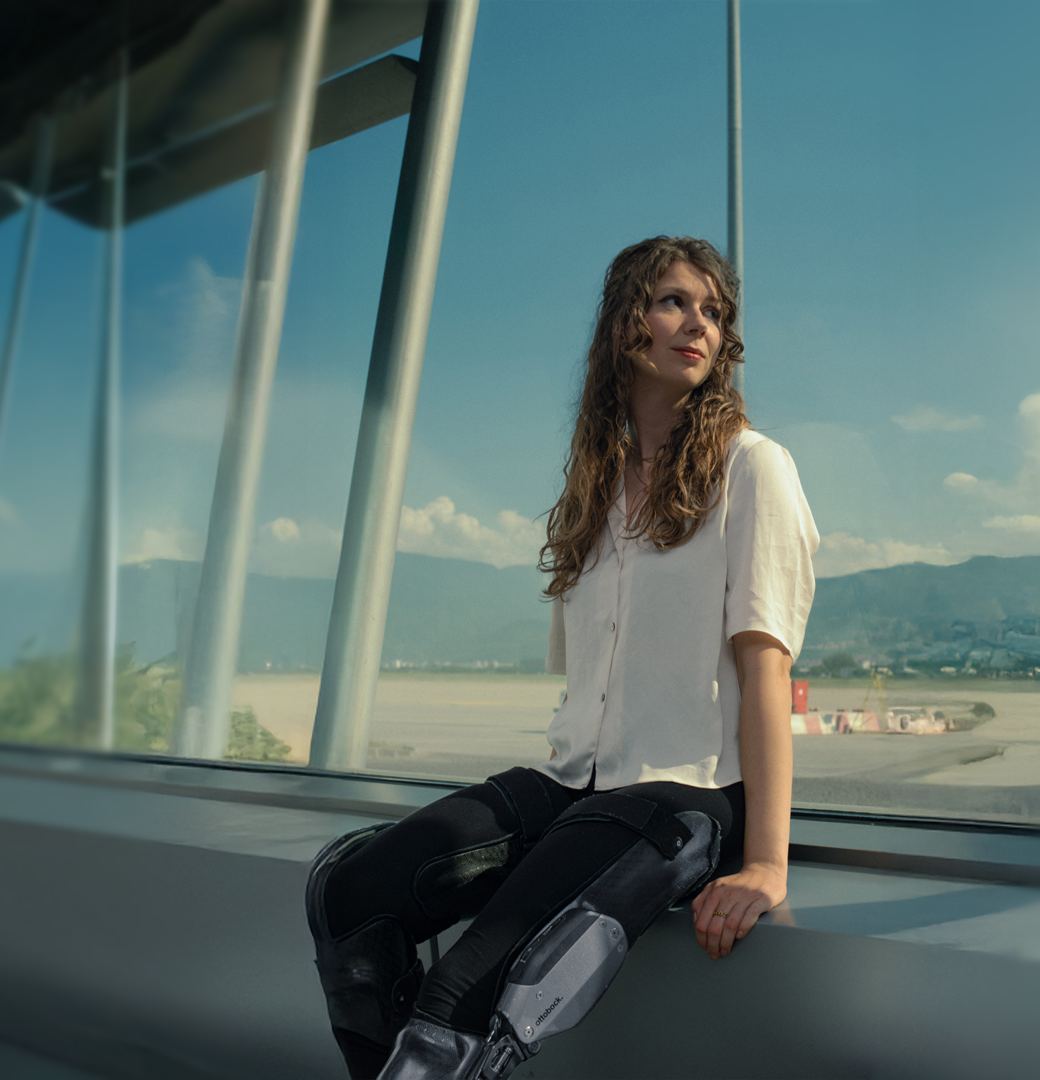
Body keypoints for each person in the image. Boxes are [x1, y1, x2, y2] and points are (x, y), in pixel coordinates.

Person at [305, 236, 818, 1080]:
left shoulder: (754, 468)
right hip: (574, 780)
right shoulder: (594, 490)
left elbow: (766, 670)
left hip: (683, 793)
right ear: (625, 324)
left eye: (715, 312)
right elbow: (588, 687)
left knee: (466, 989)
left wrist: (765, 861)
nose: (699, 325)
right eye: (674, 301)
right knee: (348, 893)